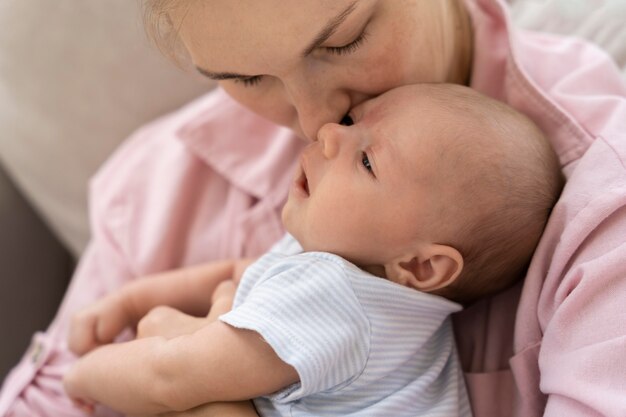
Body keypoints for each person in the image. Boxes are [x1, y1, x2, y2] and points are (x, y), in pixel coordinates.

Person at [1, 0, 625, 416]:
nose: (316, 122)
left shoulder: (602, 193)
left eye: (344, 40)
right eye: (246, 78)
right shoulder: (151, 188)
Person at [62, 84, 562, 417]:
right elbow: (239, 272)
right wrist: (130, 301)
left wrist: (80, 379)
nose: (327, 135)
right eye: (350, 120)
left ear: (421, 264)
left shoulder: (337, 302)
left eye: (366, 161)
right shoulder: (355, 274)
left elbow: (169, 375)